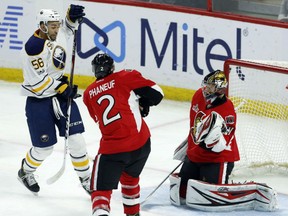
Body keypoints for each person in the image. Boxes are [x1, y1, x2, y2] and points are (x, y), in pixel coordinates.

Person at [169, 70, 277, 211]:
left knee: (213, 198)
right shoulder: (198, 96)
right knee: (181, 195)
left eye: (210, 86)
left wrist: (209, 142)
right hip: (194, 155)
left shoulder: (227, 109)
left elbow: (224, 143)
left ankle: (252, 191)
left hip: (217, 158)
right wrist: (189, 145)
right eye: (206, 85)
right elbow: (194, 125)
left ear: (219, 89)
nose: (206, 89)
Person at [17, 5, 91, 195]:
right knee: (44, 149)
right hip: (39, 101)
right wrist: (62, 87)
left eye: (56, 25)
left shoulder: (55, 32)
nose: (56, 29)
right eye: (52, 26)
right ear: (42, 26)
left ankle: (86, 179)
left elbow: (67, 29)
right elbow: (37, 82)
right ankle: (25, 171)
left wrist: (70, 18)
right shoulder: (33, 48)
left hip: (60, 97)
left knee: (77, 141)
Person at [83, 53, 164, 216]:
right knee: (130, 179)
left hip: (113, 149)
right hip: (141, 145)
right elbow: (157, 94)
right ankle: (133, 213)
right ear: (112, 67)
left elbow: (100, 121)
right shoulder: (124, 76)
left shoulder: (88, 94)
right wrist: (142, 102)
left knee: (100, 191)